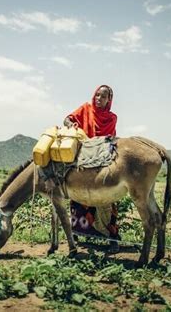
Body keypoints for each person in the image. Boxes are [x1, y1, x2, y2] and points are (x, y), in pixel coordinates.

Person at [63, 84, 121, 245]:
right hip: (84, 157)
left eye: (103, 96)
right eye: (97, 95)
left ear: (109, 100)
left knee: (107, 195)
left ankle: (109, 236)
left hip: (101, 158)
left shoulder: (111, 118)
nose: (99, 99)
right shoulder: (85, 108)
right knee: (78, 194)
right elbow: (67, 119)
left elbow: (110, 139)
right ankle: (77, 233)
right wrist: (71, 125)